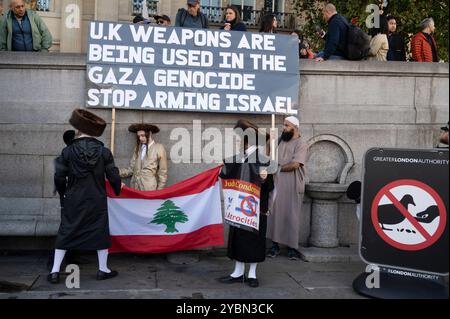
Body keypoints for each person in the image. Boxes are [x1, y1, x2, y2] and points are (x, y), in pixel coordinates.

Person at [49, 109, 122, 284]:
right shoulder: (104, 152)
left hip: (73, 198)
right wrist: (117, 188)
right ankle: (102, 269)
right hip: (96, 198)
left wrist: (63, 193)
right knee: (100, 231)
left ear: (79, 131)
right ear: (93, 132)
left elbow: (59, 176)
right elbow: (113, 175)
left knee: (66, 231)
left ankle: (54, 271)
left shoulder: (67, 151)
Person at [218, 119, 275, 288]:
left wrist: (265, 179)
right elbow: (228, 176)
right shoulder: (236, 158)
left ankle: (252, 274)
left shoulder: (264, 159)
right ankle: (237, 272)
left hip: (254, 208)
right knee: (239, 238)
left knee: (253, 240)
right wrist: (220, 170)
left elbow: (270, 186)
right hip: (237, 206)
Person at [267, 116, 308, 260]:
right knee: (275, 213)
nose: (283, 128)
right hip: (277, 183)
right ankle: (275, 246)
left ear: (295, 127)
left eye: (286, 125)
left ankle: (292, 248)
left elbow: (296, 164)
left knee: (292, 214)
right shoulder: (279, 140)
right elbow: (268, 155)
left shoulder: (301, 143)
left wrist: (277, 169)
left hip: (293, 183)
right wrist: (269, 141)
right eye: (283, 125)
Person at [120, 123, 168, 191]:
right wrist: (115, 172)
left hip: (149, 188)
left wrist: (159, 191)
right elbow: (131, 169)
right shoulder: (137, 148)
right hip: (135, 187)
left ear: (150, 133)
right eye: (138, 136)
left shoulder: (159, 148)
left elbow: (163, 172)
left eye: (142, 135)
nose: (140, 138)